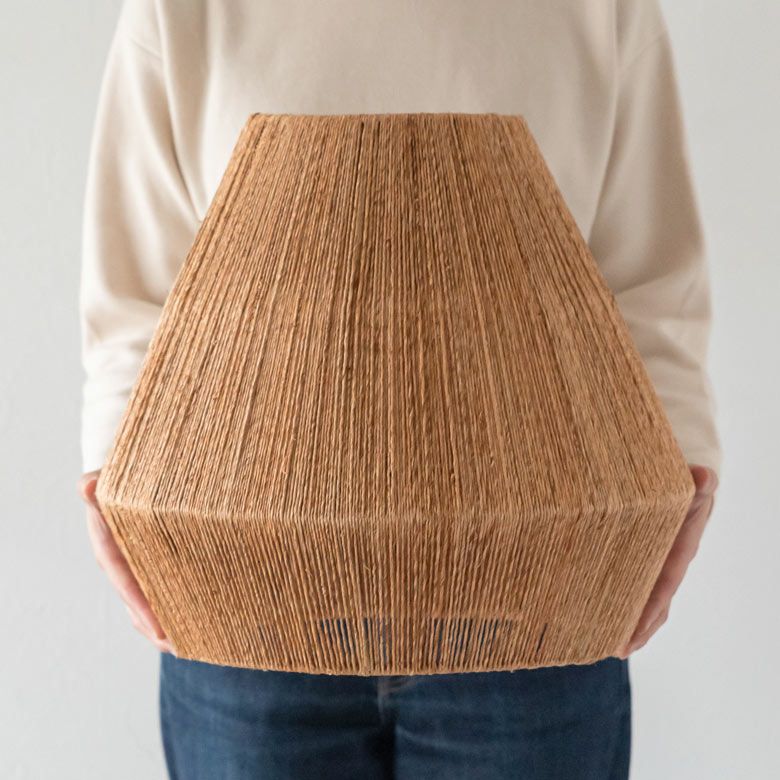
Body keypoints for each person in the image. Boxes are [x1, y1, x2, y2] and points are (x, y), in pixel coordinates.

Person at [77, 1, 720, 777]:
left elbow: (648, 270)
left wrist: (681, 458)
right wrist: (115, 460)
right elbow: (139, 278)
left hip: (534, 583)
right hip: (244, 588)